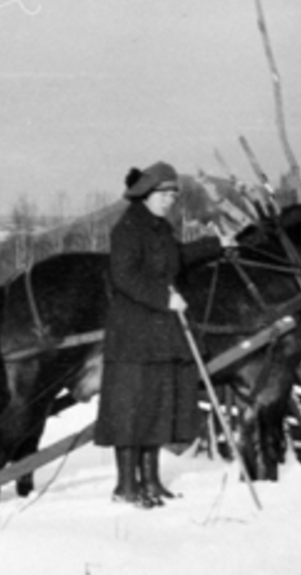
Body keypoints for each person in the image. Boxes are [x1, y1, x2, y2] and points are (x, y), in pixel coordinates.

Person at [94, 161, 235, 508]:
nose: (170, 199)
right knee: (130, 411)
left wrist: (216, 245)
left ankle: (152, 482)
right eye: (164, 193)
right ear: (145, 193)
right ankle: (127, 487)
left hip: (159, 335)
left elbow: (177, 258)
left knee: (155, 407)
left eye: (174, 194)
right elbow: (124, 276)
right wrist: (163, 297)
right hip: (132, 336)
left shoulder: (159, 228)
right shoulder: (129, 228)